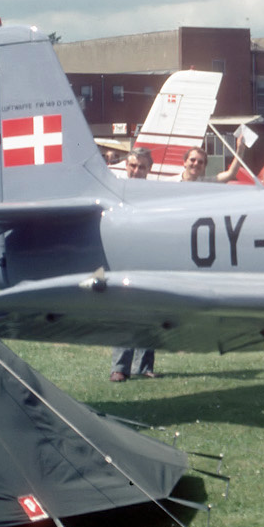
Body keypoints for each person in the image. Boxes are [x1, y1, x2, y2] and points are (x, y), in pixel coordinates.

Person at [111, 148, 156, 381]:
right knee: (125, 313)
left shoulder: (155, 193)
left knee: (149, 312)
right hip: (123, 258)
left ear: (150, 169)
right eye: (132, 166)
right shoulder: (115, 191)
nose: (136, 171)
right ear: (126, 167)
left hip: (148, 257)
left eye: (142, 167)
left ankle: (145, 366)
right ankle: (119, 367)